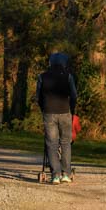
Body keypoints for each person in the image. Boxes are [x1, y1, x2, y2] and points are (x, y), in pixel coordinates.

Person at [35, 52, 78, 184]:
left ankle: (55, 175)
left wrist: (44, 108)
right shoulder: (68, 76)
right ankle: (66, 173)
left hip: (49, 112)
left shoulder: (42, 76)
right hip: (65, 112)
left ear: (50, 63)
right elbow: (74, 96)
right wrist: (72, 109)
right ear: (64, 63)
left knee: (51, 144)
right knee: (65, 143)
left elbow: (38, 97)